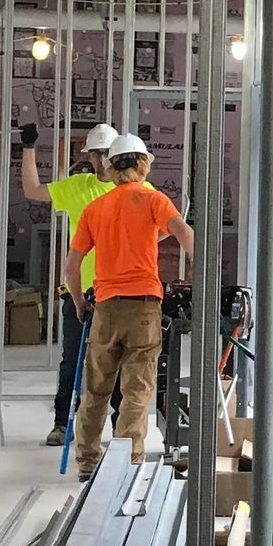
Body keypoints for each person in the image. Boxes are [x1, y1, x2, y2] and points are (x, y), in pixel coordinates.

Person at [68, 134, 195, 480]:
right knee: (135, 392)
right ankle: (127, 466)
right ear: (142, 164)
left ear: (111, 166)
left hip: (105, 308)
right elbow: (185, 233)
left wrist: (79, 302)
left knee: (95, 391)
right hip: (143, 308)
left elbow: (71, 266)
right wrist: (198, 275)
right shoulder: (153, 199)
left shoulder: (96, 209)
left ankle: (87, 464)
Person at [21, 118, 117, 445]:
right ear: (89, 156)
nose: (101, 161)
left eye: (106, 154)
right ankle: (63, 424)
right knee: (72, 362)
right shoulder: (78, 187)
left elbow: (162, 228)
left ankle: (121, 432)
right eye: (95, 154)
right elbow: (32, 191)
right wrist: (29, 148)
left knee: (120, 364)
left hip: (119, 293)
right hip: (81, 292)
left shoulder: (135, 189)